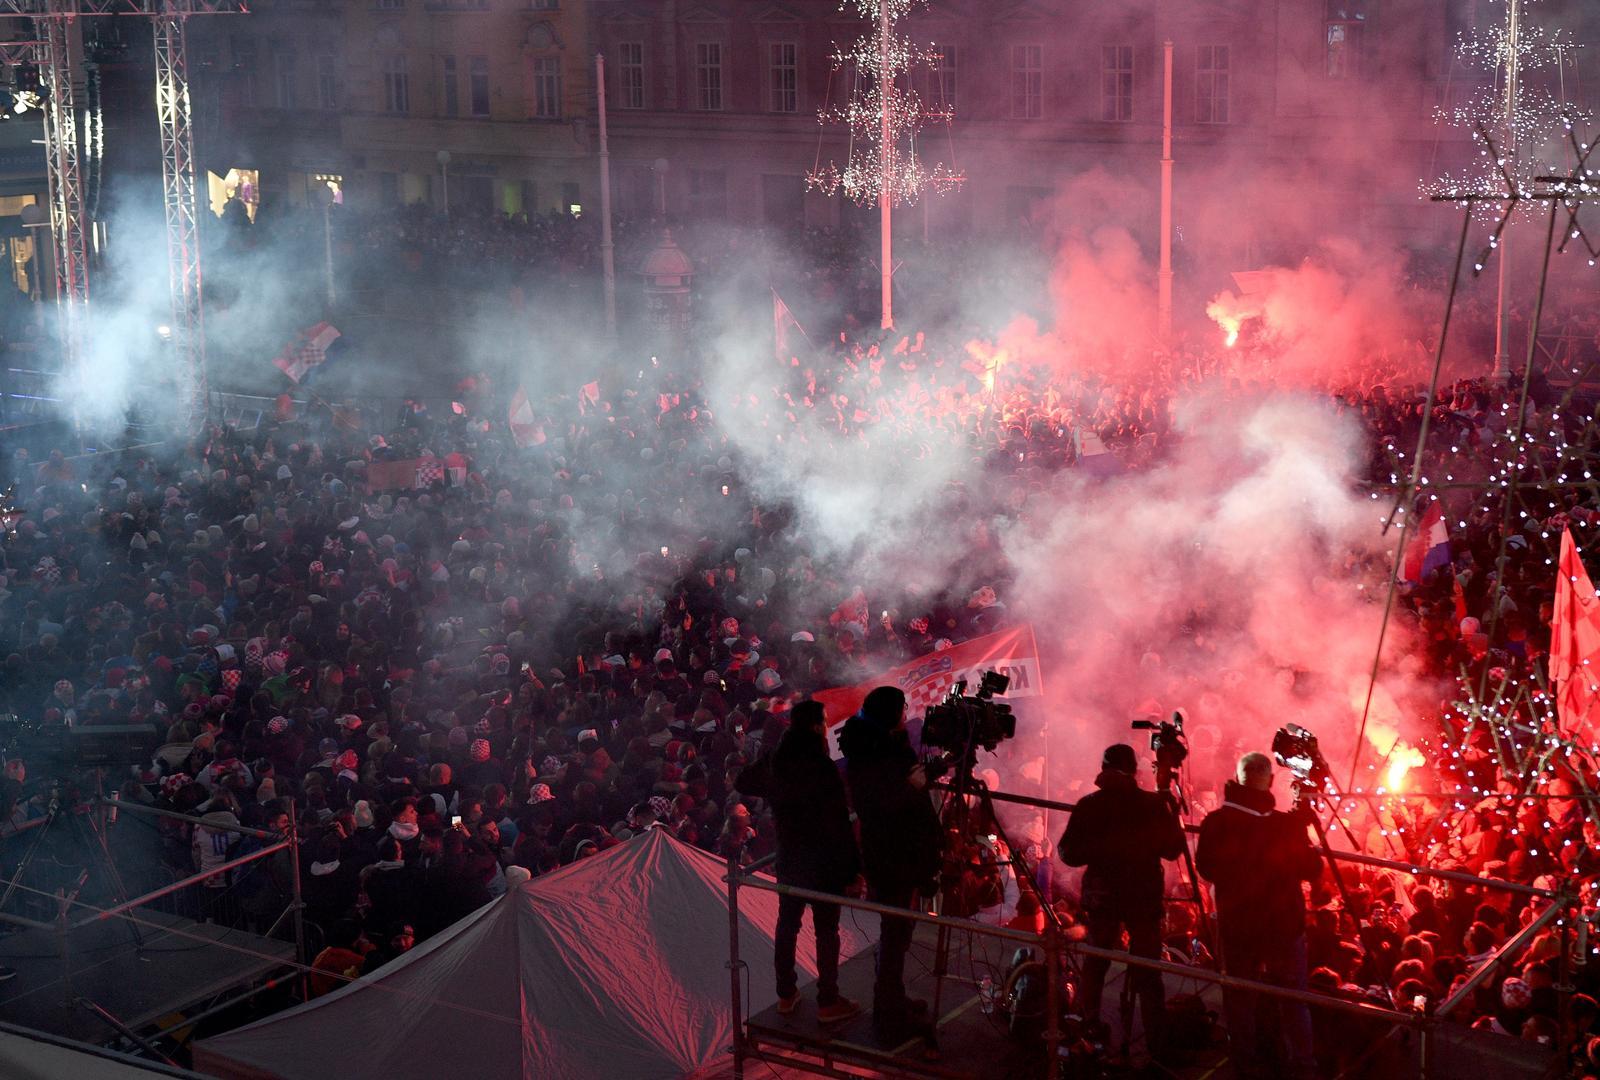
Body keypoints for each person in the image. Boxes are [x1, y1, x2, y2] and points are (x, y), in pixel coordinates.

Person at [1195, 751, 1322, 1080]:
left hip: (1238, 926)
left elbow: (1206, 868)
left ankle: (1244, 1067)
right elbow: (1312, 869)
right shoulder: (1284, 825)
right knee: (1294, 1000)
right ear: (1271, 781)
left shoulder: (1216, 823)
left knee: (1240, 1000)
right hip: (1283, 926)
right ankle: (1303, 1067)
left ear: (1237, 779)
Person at [1056, 742, 1185, 1054]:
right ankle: (1157, 1042)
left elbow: (1067, 852)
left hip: (1102, 896)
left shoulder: (1089, 804)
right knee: (1147, 971)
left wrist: (1099, 850)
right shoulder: (1152, 805)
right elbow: (1172, 849)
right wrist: (1170, 807)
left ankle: (1087, 1030)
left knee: (1096, 963)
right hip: (1143, 897)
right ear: (1135, 773)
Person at [738, 701, 861, 1024]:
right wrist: (852, 869)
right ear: (816, 726)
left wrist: (770, 762)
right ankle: (828, 1001)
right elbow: (838, 822)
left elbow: (743, 781)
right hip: (823, 861)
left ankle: (786, 995)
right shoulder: (821, 766)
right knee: (826, 931)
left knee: (787, 925)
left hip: (790, 856)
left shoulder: (779, 760)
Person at [837, 686, 942, 1041]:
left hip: (900, 852)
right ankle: (889, 1013)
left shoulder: (881, 743)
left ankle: (893, 998)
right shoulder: (870, 753)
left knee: (900, 932)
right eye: (901, 709)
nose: (904, 714)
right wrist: (912, 786)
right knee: (895, 933)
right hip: (892, 854)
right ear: (888, 714)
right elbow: (879, 804)